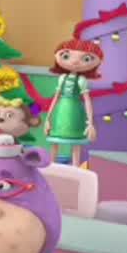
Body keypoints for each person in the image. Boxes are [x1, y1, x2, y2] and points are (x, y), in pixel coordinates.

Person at [45, 38, 103, 166]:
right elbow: (55, 98)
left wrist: (90, 123)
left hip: (75, 111)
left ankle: (75, 167)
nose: (75, 62)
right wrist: (48, 118)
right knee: (55, 139)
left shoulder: (82, 80)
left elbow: (87, 101)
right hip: (61, 110)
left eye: (86, 59)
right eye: (66, 56)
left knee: (76, 143)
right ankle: (52, 165)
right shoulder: (62, 78)